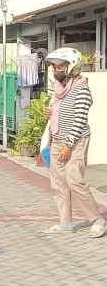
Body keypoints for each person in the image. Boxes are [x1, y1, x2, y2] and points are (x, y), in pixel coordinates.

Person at [42, 47, 105, 237]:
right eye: (54, 66)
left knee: (74, 178)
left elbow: (79, 119)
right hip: (58, 138)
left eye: (60, 66)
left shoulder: (82, 89)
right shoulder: (59, 89)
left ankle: (97, 219)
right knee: (58, 182)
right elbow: (61, 112)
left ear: (72, 66)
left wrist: (68, 145)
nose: (55, 70)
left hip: (75, 141)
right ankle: (65, 222)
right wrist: (51, 113)